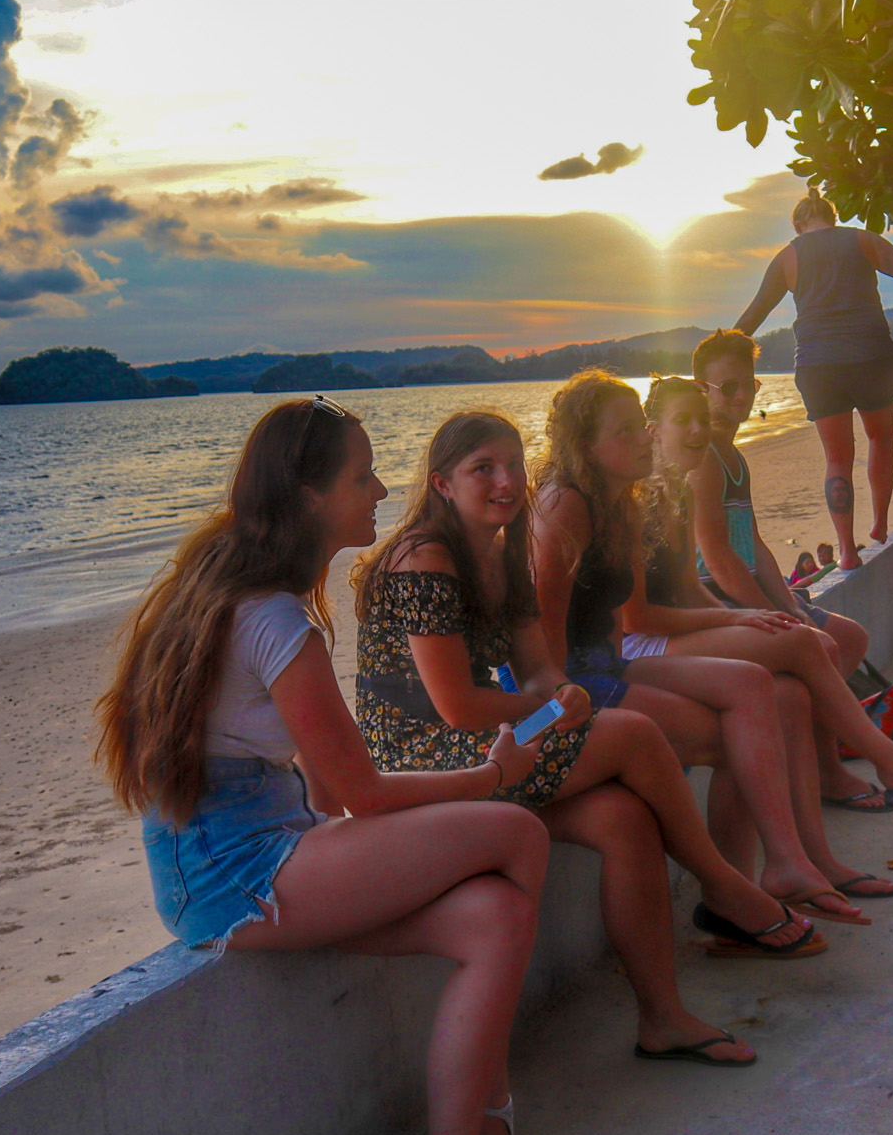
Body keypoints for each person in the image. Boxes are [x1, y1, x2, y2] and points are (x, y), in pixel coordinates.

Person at [97, 397, 572, 1135]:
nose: (382, 489)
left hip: (261, 846)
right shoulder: (274, 617)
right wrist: (490, 775)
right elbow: (365, 793)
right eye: (362, 476)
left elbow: (327, 792)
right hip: (236, 874)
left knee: (495, 916)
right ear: (308, 495)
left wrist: (365, 848)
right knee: (516, 828)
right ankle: (487, 1112)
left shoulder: (243, 592)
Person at [351, 410, 827, 987]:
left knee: (625, 819)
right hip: (417, 755)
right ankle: (725, 886)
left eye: (513, 465)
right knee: (632, 733)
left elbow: (536, 670)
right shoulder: (424, 558)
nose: (506, 481)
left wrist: (564, 693)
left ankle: (663, 1017)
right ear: (442, 484)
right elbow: (456, 706)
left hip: (487, 739)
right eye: (483, 469)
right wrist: (553, 708)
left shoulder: (501, 555)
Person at [533, 371, 883, 924]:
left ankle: (786, 866)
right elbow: (540, 641)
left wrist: (737, 617)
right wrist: (553, 713)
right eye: (626, 432)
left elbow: (616, 626)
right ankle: (735, 894)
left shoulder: (620, 503)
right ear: (585, 447)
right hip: (563, 689)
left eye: (641, 427)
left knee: (768, 691)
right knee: (742, 734)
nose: (645, 439)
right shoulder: (563, 507)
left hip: (608, 664)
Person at [643, 375, 893, 816]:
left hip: (694, 622)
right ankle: (888, 762)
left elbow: (699, 580)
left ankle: (812, 837)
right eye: (683, 420)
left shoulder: (680, 489)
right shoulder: (647, 498)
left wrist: (770, 609)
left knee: (805, 673)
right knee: (803, 647)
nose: (698, 429)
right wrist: (737, 616)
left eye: (700, 418)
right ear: (652, 432)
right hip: (655, 640)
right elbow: (655, 607)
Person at [733, 193, 893, 568]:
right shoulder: (862, 240)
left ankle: (847, 550)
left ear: (797, 225)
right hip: (871, 355)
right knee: (880, 437)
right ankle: (879, 522)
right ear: (832, 217)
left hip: (819, 365)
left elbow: (754, 314)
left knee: (837, 458)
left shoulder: (788, 256)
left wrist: (718, 354)